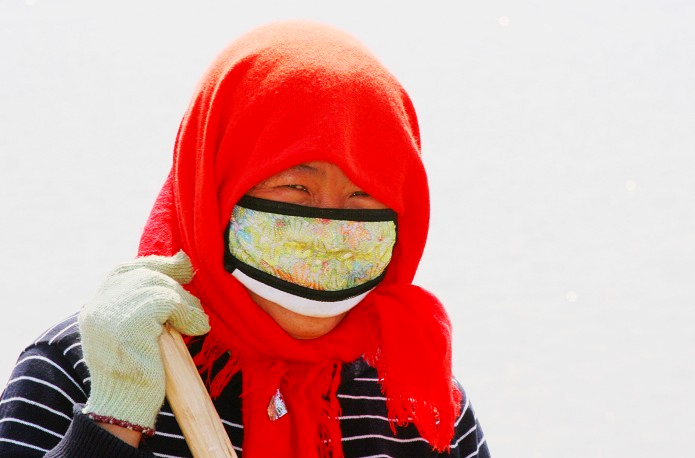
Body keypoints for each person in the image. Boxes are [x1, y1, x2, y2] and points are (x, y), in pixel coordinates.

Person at [0, 21, 490, 457]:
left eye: (363, 196)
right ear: (214, 191)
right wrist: (115, 416)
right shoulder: (83, 368)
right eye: (296, 187)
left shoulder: (421, 407)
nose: (329, 230)